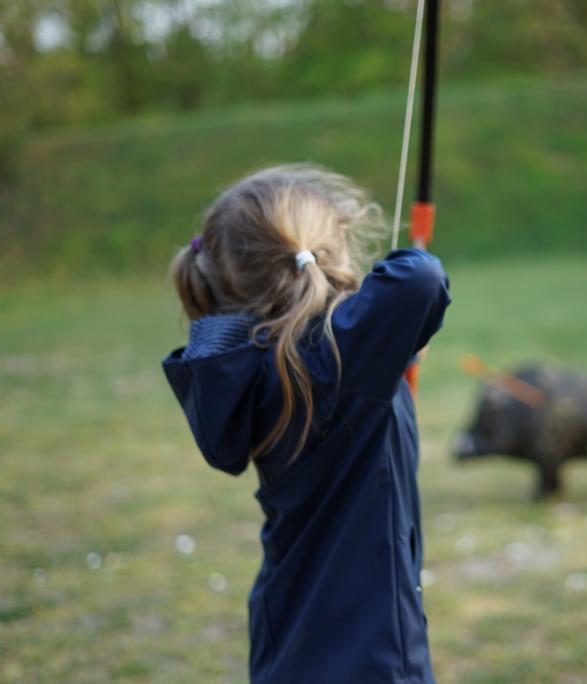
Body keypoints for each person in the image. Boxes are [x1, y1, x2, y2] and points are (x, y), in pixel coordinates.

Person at [162, 164, 450, 683]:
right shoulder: (335, 354)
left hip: (288, 630)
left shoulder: (253, 363)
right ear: (325, 253)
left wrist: (392, 348)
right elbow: (420, 279)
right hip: (371, 647)